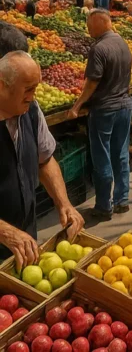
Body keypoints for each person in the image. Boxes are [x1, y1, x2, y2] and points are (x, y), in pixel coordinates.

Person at [0, 51, 84, 265]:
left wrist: (63, 203)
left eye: (36, 88)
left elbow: (45, 160)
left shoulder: (31, 111)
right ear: (2, 86)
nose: (33, 96)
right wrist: (6, 232)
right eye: (28, 89)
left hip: (25, 238)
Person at [68, 10, 132, 221]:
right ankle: (122, 200)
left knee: (102, 156)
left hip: (105, 109)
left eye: (90, 25)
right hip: (124, 105)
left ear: (101, 23)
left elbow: (92, 82)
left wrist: (77, 106)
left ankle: (104, 206)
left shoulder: (99, 48)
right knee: (121, 153)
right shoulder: (122, 43)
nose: (88, 29)